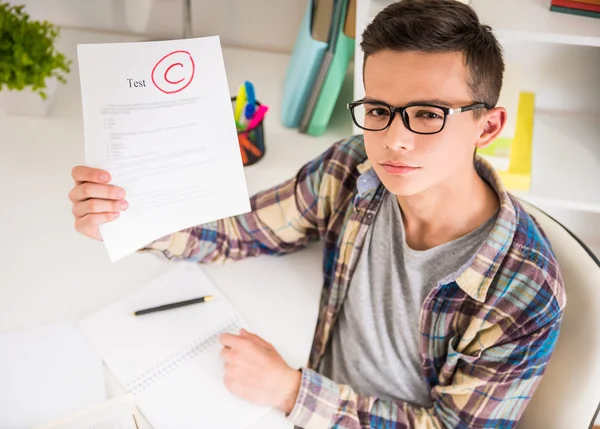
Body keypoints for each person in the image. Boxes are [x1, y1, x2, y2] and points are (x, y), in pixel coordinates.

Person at [68, 0, 566, 427]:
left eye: (428, 114)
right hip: (299, 364)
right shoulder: (353, 167)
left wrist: (290, 392)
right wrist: (130, 220)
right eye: (378, 109)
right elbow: (248, 230)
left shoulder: (525, 291)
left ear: (488, 126)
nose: (394, 139)